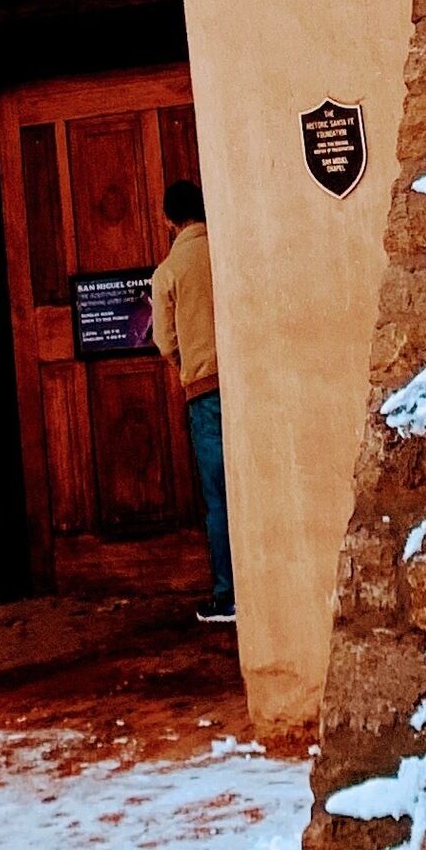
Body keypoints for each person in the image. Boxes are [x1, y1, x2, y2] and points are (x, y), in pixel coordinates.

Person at [149, 177, 232, 627]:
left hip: (204, 391)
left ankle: (227, 594)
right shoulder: (225, 251)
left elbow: (164, 340)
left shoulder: (168, 271)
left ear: (168, 221)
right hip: (243, 386)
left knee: (218, 496)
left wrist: (189, 363)